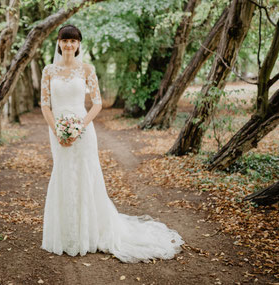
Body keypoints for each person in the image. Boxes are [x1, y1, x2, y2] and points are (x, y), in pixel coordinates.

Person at [40, 24, 182, 261]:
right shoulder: (49, 71)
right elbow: (45, 105)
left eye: (74, 41)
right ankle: (65, 234)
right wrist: (58, 131)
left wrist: (79, 128)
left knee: (86, 175)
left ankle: (90, 233)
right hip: (57, 131)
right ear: (58, 42)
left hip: (83, 129)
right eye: (65, 40)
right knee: (63, 174)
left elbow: (96, 103)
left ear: (78, 44)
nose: (69, 45)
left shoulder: (87, 69)